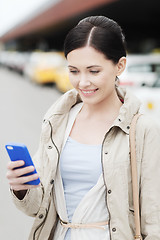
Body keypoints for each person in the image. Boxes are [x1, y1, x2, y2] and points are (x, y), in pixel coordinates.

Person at [6, 16, 160, 240]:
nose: (83, 82)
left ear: (120, 66)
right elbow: (37, 208)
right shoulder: (57, 121)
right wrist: (22, 188)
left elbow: (153, 218)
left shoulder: (144, 129)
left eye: (94, 71)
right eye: (74, 71)